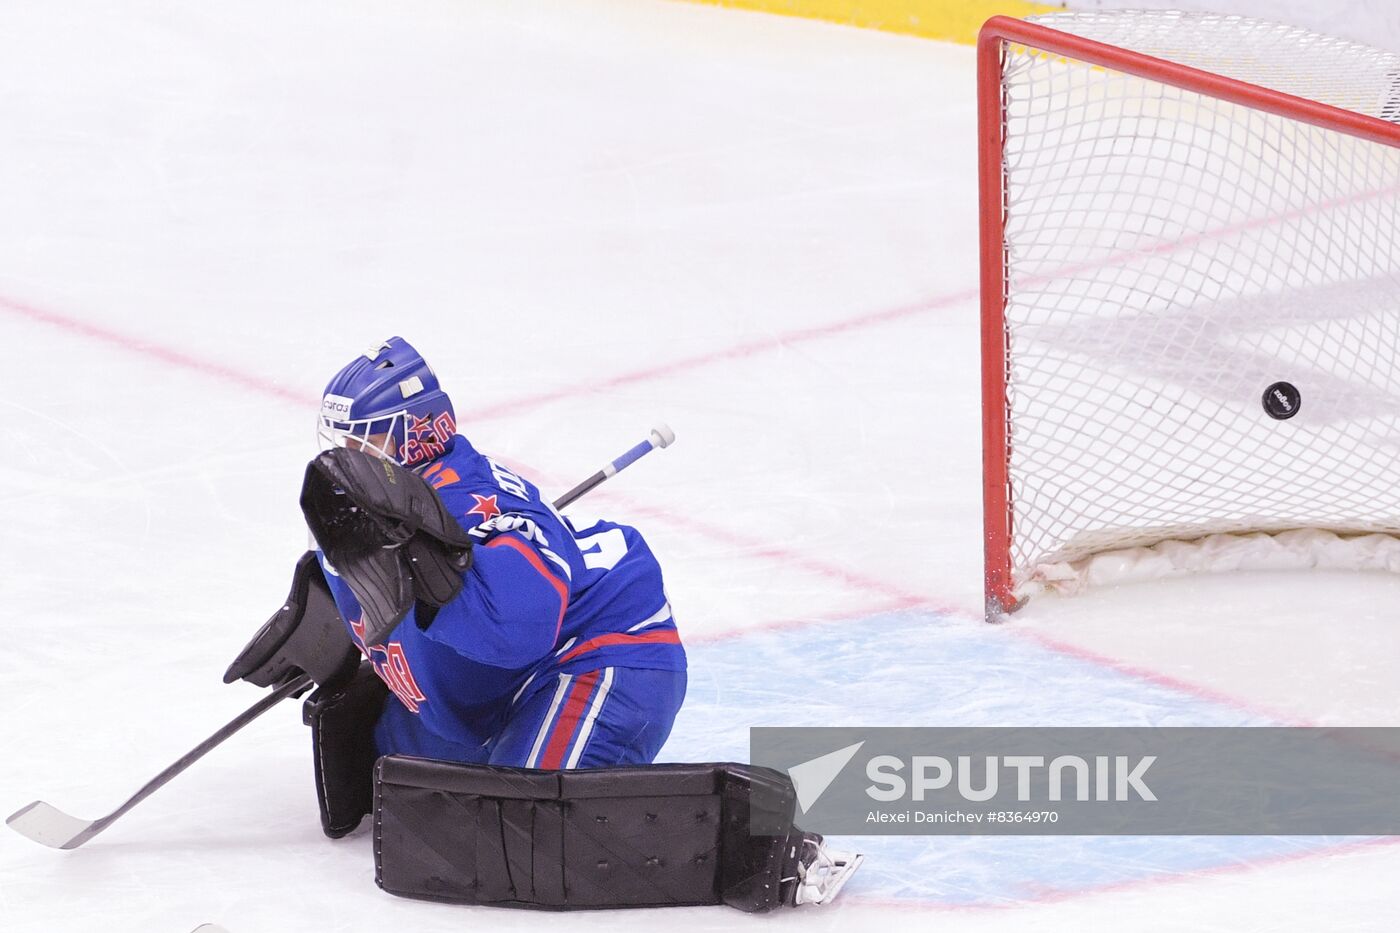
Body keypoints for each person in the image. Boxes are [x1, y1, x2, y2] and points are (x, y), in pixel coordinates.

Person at [309, 336, 686, 769]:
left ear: (418, 433)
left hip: (601, 651)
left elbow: (520, 630)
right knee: (380, 771)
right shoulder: (369, 506)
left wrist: (443, 579)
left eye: (367, 442)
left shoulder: (478, 503)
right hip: (497, 693)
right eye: (341, 441)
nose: (347, 458)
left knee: (528, 819)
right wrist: (319, 621)